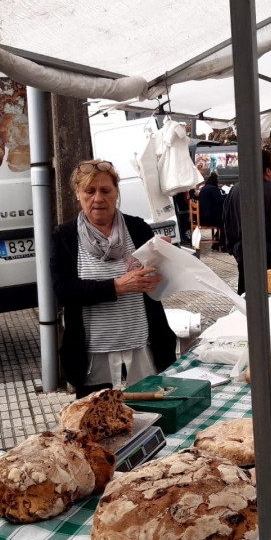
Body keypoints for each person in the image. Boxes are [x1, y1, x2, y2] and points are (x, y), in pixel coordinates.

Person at [51, 159, 177, 397]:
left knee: (148, 415)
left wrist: (167, 262)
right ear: (78, 193)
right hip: (92, 357)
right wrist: (116, 287)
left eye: (105, 190)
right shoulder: (65, 236)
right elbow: (63, 291)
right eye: (90, 191)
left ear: (116, 192)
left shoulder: (138, 229)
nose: (98, 198)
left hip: (142, 349)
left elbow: (158, 284)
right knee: (101, 424)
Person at [223, 149, 271, 294]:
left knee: (249, 305)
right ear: (267, 170)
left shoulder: (235, 190)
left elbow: (228, 224)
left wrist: (235, 251)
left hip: (246, 258)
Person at [196, 171, 226, 250]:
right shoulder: (213, 189)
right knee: (225, 222)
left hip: (202, 218)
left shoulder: (205, 188)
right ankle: (222, 244)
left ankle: (218, 240)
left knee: (222, 221)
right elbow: (219, 202)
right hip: (208, 219)